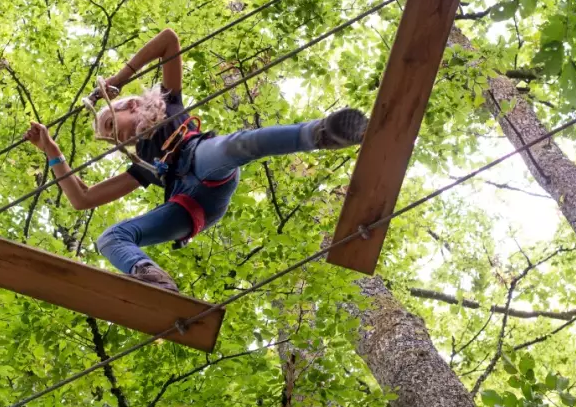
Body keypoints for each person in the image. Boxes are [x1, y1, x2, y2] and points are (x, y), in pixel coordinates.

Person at [24, 28, 368, 293]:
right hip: (188, 204)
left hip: (204, 160)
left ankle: (321, 134)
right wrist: (52, 151)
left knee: (236, 146)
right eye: (110, 137)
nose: (116, 138)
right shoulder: (141, 165)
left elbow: (169, 41)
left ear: (129, 106)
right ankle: (150, 276)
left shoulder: (169, 102)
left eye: (112, 125)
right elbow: (82, 199)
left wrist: (117, 79)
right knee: (109, 238)